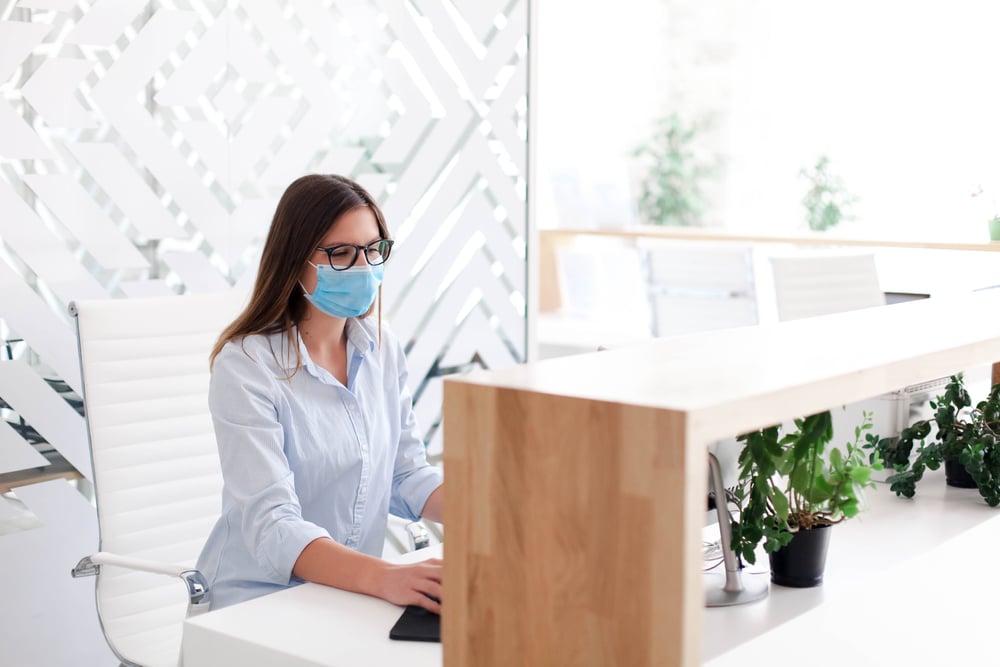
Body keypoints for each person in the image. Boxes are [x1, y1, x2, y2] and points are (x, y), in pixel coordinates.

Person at [197, 174, 444, 613]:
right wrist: (386, 577)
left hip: (348, 597)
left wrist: (498, 513)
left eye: (373, 250)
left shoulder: (381, 346)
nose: (365, 267)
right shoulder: (247, 366)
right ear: (295, 262)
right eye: (342, 254)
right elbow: (275, 526)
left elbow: (406, 476)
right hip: (258, 602)